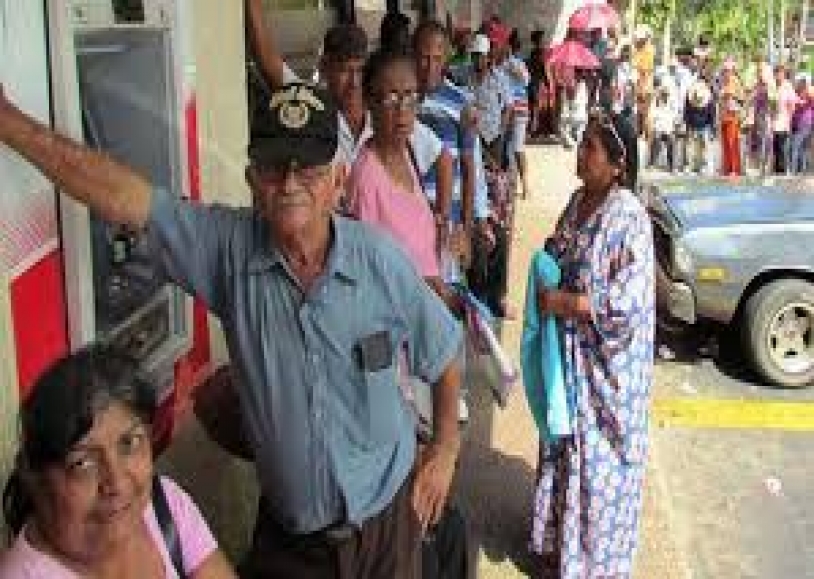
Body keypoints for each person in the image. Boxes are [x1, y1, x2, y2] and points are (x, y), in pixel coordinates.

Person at [0, 79, 464, 579]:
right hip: (296, 543)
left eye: (308, 168)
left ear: (338, 180)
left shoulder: (379, 261)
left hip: (388, 523)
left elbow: (444, 350)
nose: (290, 183)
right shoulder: (228, 251)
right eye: (273, 167)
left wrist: (445, 448)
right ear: (252, 181)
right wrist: (9, 123)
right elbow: (123, 198)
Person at [531, 108, 655, 578]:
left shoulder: (629, 218)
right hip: (572, 362)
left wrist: (565, 303)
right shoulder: (578, 200)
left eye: (591, 148)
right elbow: (561, 247)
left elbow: (628, 303)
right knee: (565, 449)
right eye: (581, 142)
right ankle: (561, 549)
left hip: (608, 373)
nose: (580, 153)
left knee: (601, 464)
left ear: (618, 165)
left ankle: (596, 563)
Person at [0, 345, 235, 578]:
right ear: (37, 480)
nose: (117, 483)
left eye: (129, 443)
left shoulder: (165, 507)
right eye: (82, 463)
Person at [718, 59, 744, 176]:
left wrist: (732, 95)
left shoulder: (736, 81)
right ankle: (727, 168)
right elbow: (719, 99)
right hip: (724, 115)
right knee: (725, 142)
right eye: (725, 70)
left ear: (732, 71)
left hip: (733, 114)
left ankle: (735, 169)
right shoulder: (722, 82)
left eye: (728, 70)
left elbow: (742, 98)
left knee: (732, 142)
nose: (726, 72)